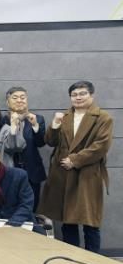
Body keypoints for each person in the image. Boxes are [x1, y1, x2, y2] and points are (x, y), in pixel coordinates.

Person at [39, 81, 113, 253]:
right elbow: (50, 141)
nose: (78, 97)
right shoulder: (65, 116)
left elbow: (101, 145)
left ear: (91, 95)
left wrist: (75, 160)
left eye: (82, 94)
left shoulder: (103, 117)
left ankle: (93, 259)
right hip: (63, 173)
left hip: (87, 173)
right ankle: (71, 257)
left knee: (90, 221)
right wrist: (55, 124)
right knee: (68, 219)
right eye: (74, 95)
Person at [3, 87, 47, 211]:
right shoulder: (2, 121)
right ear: (8, 102)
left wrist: (35, 125)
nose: (19, 100)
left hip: (33, 171)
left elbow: (41, 143)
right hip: (9, 170)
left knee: (32, 207)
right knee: (11, 206)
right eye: (15, 98)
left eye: (23, 97)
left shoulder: (38, 118)